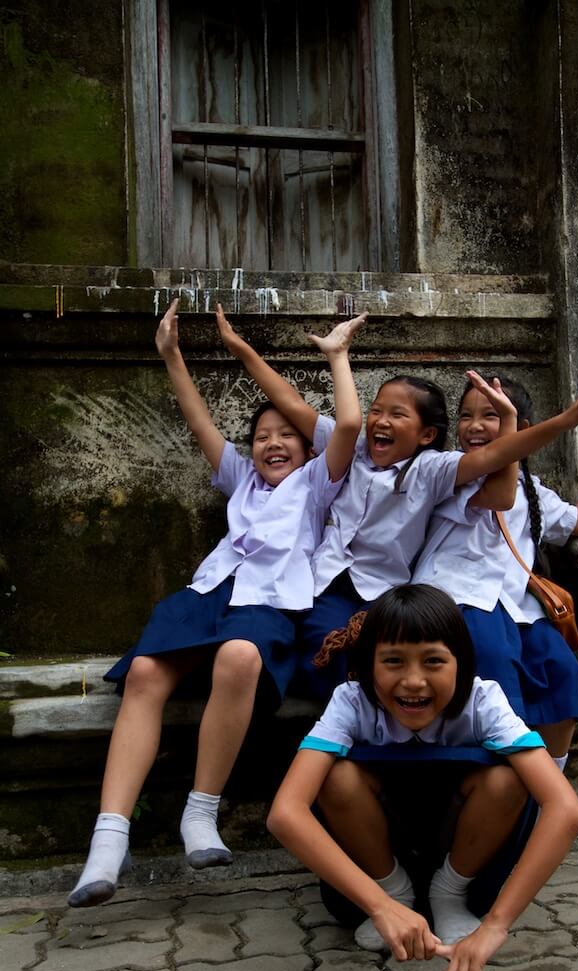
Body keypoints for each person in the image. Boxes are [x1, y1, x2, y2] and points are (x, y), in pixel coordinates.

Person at [67, 300, 365, 908]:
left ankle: (200, 812)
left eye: (286, 436)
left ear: (308, 451)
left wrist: (324, 356)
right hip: (210, 591)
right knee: (147, 672)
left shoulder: (318, 485)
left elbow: (351, 427)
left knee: (239, 659)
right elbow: (196, 416)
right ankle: (109, 836)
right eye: (261, 437)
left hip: (272, 600)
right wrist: (172, 356)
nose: (272, 443)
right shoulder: (239, 478)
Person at [216, 302, 578, 701]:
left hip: (385, 595)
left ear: (426, 435)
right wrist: (242, 350)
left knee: (387, 668)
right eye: (376, 411)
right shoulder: (352, 449)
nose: (380, 421)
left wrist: (564, 422)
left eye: (397, 415)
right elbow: (292, 403)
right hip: (327, 584)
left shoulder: (431, 470)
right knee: (323, 655)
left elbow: (494, 459)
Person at [267, 584, 578, 971]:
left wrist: (495, 926)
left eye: (434, 661)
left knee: (509, 779)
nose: (413, 680)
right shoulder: (350, 700)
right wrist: (382, 906)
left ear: (461, 664)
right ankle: (396, 893)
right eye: (393, 661)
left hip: (464, 857)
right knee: (335, 777)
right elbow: (285, 814)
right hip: (379, 862)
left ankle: (448, 897)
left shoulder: (484, 700)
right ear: (367, 666)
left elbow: (566, 809)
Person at [413, 373, 578, 762]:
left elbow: (577, 521)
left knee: (562, 673)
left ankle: (544, 793)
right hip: (459, 599)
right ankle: (499, 785)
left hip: (516, 606)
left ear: (523, 429)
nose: (473, 425)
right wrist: (558, 421)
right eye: (466, 415)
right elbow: (499, 497)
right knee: (494, 678)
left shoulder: (531, 487)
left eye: (492, 414)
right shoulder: (449, 469)